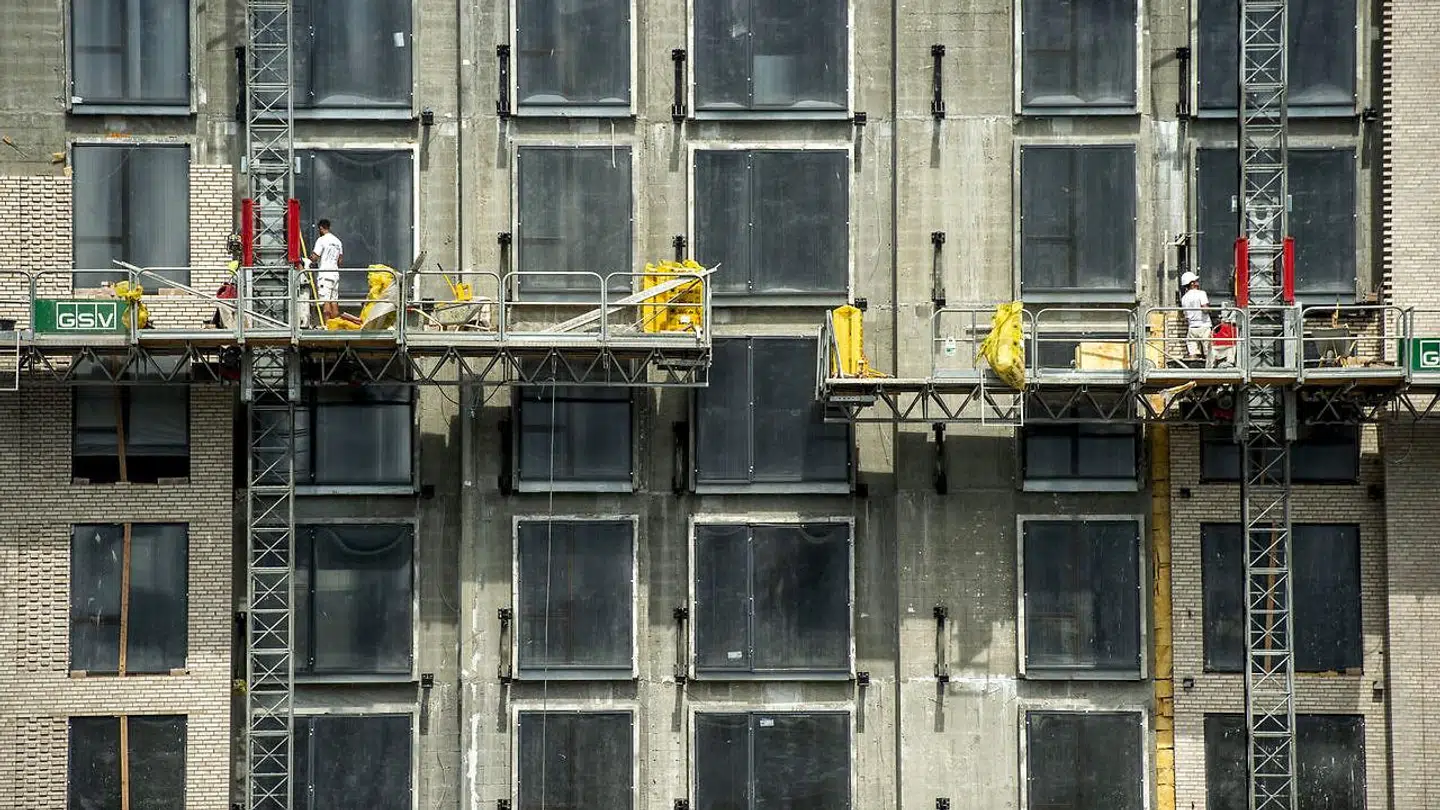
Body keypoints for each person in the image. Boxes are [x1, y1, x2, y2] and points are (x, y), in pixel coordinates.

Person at [308, 219, 344, 323]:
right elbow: (340, 261)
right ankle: (335, 326)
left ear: (321, 228)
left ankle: (327, 326)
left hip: (325, 274)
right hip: (335, 274)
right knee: (334, 301)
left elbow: (315, 257)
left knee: (325, 301)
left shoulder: (321, 240)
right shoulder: (338, 241)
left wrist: (309, 259)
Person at [1179, 271, 1210, 363]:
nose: (1197, 282)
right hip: (1204, 326)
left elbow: (1185, 315)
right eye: (1195, 281)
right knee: (1208, 351)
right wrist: (1210, 309)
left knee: (1192, 352)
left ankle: (1193, 370)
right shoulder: (1201, 293)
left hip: (1192, 328)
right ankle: (1210, 371)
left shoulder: (1184, 298)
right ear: (1191, 283)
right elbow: (1205, 309)